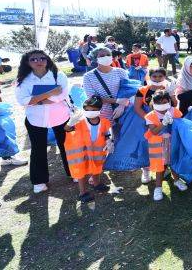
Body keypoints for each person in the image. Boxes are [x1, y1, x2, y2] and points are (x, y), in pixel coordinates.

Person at [15, 50, 72, 193]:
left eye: (42, 58)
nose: (39, 61)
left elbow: (63, 94)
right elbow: (23, 100)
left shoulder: (58, 75)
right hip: (36, 120)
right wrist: (49, 93)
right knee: (38, 149)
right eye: (34, 59)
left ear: (47, 60)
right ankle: (39, 181)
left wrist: (37, 99)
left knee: (67, 146)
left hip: (61, 117)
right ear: (27, 62)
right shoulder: (23, 80)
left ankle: (74, 172)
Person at [63, 95, 112, 203]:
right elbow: (67, 129)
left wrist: (109, 141)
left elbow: (106, 132)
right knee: (82, 171)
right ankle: (83, 192)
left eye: (93, 110)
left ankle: (97, 184)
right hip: (82, 152)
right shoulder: (79, 121)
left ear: (99, 109)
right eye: (87, 109)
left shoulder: (104, 121)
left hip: (98, 151)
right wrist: (71, 122)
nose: (90, 112)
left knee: (97, 167)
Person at [144, 90, 188, 201]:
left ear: (169, 101)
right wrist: (163, 123)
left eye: (164, 102)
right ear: (154, 103)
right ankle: (158, 188)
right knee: (160, 166)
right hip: (158, 145)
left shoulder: (175, 111)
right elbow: (153, 131)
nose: (162, 105)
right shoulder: (151, 115)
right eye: (159, 103)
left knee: (173, 161)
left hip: (173, 142)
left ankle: (177, 180)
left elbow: (181, 125)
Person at [82, 47, 130, 122]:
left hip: (123, 113)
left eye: (108, 54)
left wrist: (121, 106)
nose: (106, 57)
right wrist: (117, 101)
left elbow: (128, 90)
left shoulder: (121, 72)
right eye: (102, 56)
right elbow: (94, 99)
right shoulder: (88, 76)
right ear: (95, 58)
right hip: (102, 116)